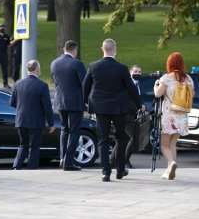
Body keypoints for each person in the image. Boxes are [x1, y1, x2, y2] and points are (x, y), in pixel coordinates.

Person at [83, 39, 143, 182]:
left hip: (100, 108)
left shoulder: (93, 66)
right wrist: (139, 104)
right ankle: (120, 170)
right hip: (118, 108)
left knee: (103, 139)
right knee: (120, 138)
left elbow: (85, 85)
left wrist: (85, 101)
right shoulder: (122, 68)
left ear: (102, 49)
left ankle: (105, 172)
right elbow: (131, 88)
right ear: (114, 50)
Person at [153, 53, 194, 180]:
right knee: (173, 144)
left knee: (164, 145)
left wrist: (156, 85)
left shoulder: (167, 78)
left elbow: (158, 94)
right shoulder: (188, 79)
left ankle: (171, 163)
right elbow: (191, 96)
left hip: (169, 115)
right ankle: (169, 170)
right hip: (182, 116)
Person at [10, 60, 55, 170]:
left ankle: (17, 165)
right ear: (38, 69)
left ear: (27, 70)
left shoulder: (17, 84)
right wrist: (51, 124)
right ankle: (32, 167)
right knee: (34, 146)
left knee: (23, 144)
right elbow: (47, 107)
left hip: (21, 120)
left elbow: (12, 103)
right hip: (35, 121)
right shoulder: (42, 85)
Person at [50, 40, 87, 171]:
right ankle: (69, 161)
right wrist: (87, 100)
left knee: (64, 130)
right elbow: (85, 84)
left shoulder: (54, 63)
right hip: (75, 102)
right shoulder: (77, 63)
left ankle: (62, 158)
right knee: (74, 131)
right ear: (74, 50)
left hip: (60, 101)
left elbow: (55, 82)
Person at [110, 65, 144, 168]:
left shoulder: (137, 84)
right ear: (130, 73)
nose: (137, 73)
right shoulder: (128, 84)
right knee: (135, 137)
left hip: (130, 115)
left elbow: (137, 99)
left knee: (123, 138)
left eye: (139, 72)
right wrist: (138, 107)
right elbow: (128, 100)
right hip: (125, 114)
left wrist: (142, 107)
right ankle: (124, 160)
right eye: (135, 71)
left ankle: (112, 161)